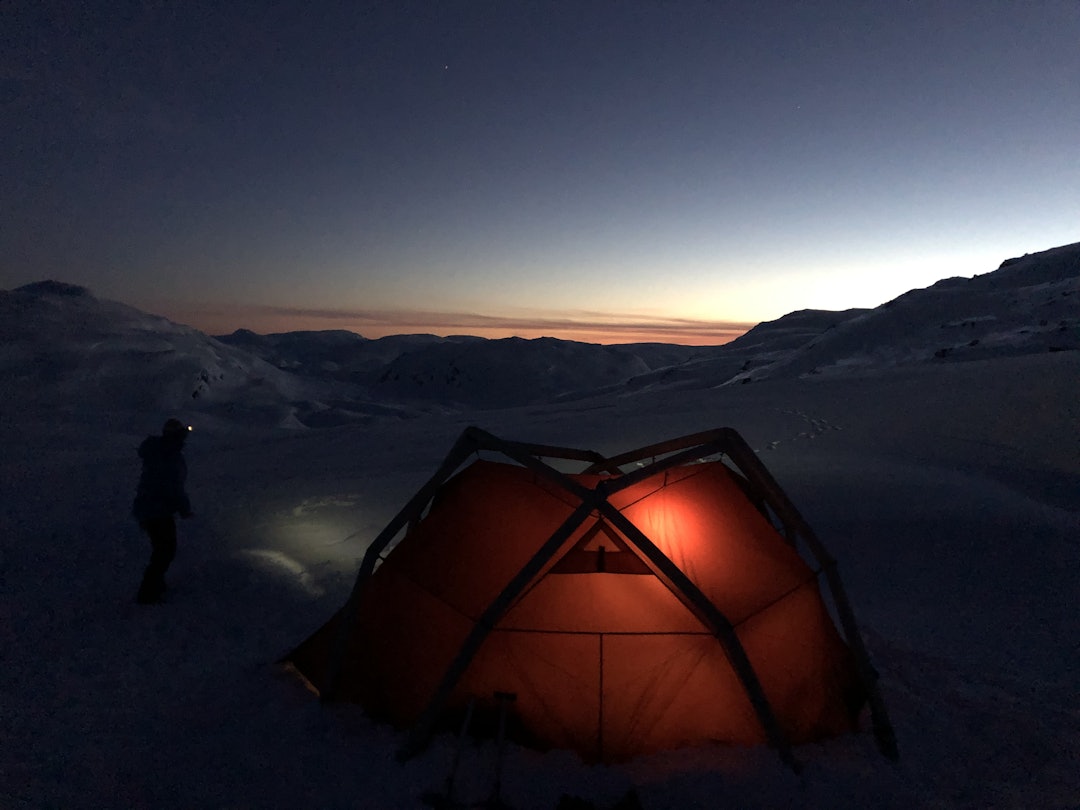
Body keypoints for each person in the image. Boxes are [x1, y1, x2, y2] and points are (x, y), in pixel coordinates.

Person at [132, 418, 193, 604]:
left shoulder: (159, 451)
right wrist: (184, 508)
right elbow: (173, 486)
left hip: (149, 507)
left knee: (162, 549)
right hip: (158, 509)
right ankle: (149, 591)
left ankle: (155, 584)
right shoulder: (170, 456)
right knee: (165, 550)